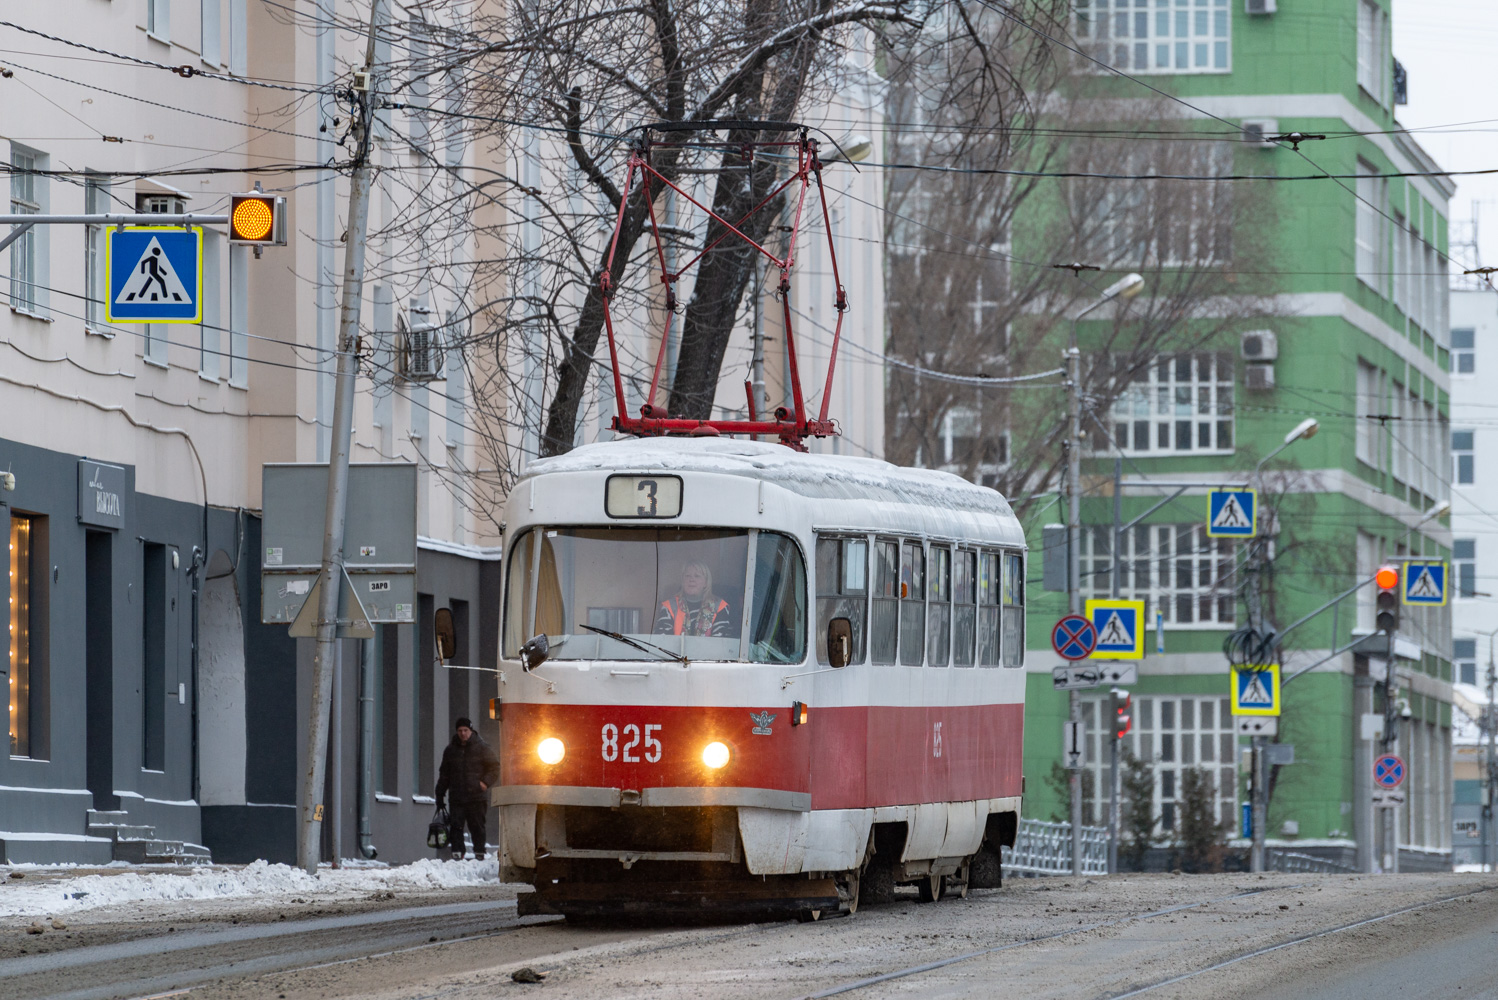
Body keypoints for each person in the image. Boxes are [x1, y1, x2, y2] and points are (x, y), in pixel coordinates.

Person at [435, 717, 500, 861]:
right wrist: (440, 794)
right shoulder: (451, 750)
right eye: (460, 731)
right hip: (457, 796)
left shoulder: (482, 748)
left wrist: (484, 783)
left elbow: (495, 767)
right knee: (456, 826)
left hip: (476, 796)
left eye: (465, 730)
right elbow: (444, 774)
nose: (463, 733)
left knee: (477, 826)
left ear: (471, 731)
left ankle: (479, 854)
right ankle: (457, 853)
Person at [654, 561, 733, 637]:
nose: (691, 579)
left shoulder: (719, 607)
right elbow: (662, 640)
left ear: (706, 582)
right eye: (687, 576)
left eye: (697, 576)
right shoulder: (669, 606)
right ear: (682, 581)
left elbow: (721, 643)